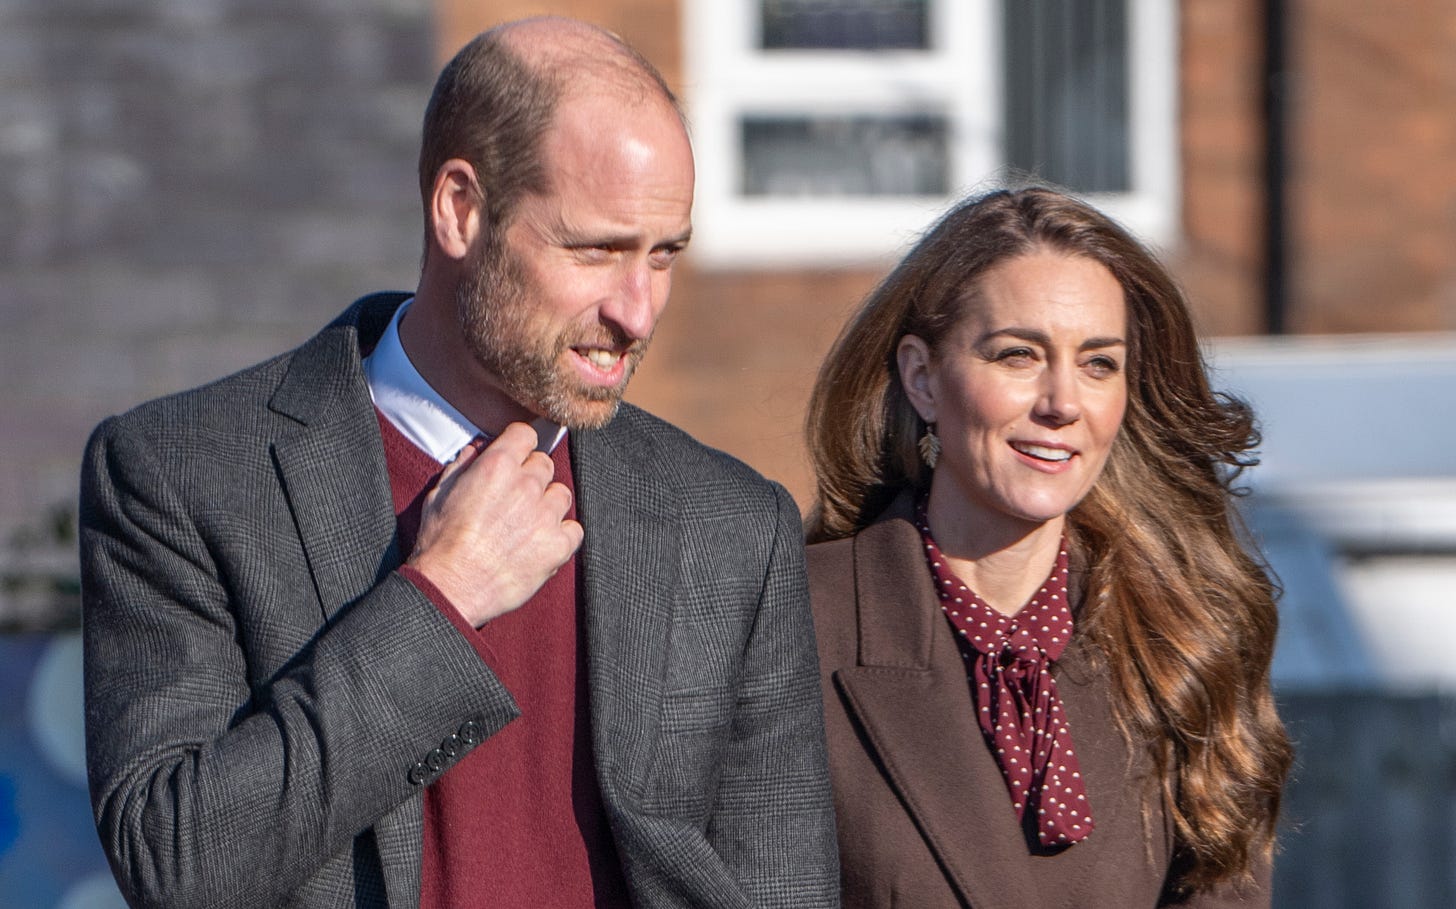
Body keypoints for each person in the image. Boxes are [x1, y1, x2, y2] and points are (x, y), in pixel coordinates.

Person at [80, 17, 837, 909]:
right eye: (596, 249)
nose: (639, 311)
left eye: (664, 253)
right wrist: (440, 599)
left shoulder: (732, 525)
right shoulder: (181, 474)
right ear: (460, 210)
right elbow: (177, 864)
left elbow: (782, 890)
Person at [804, 186, 1291, 907]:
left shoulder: (1186, 645)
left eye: (1099, 363)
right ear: (922, 376)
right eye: (1018, 355)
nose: (1063, 401)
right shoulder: (793, 621)